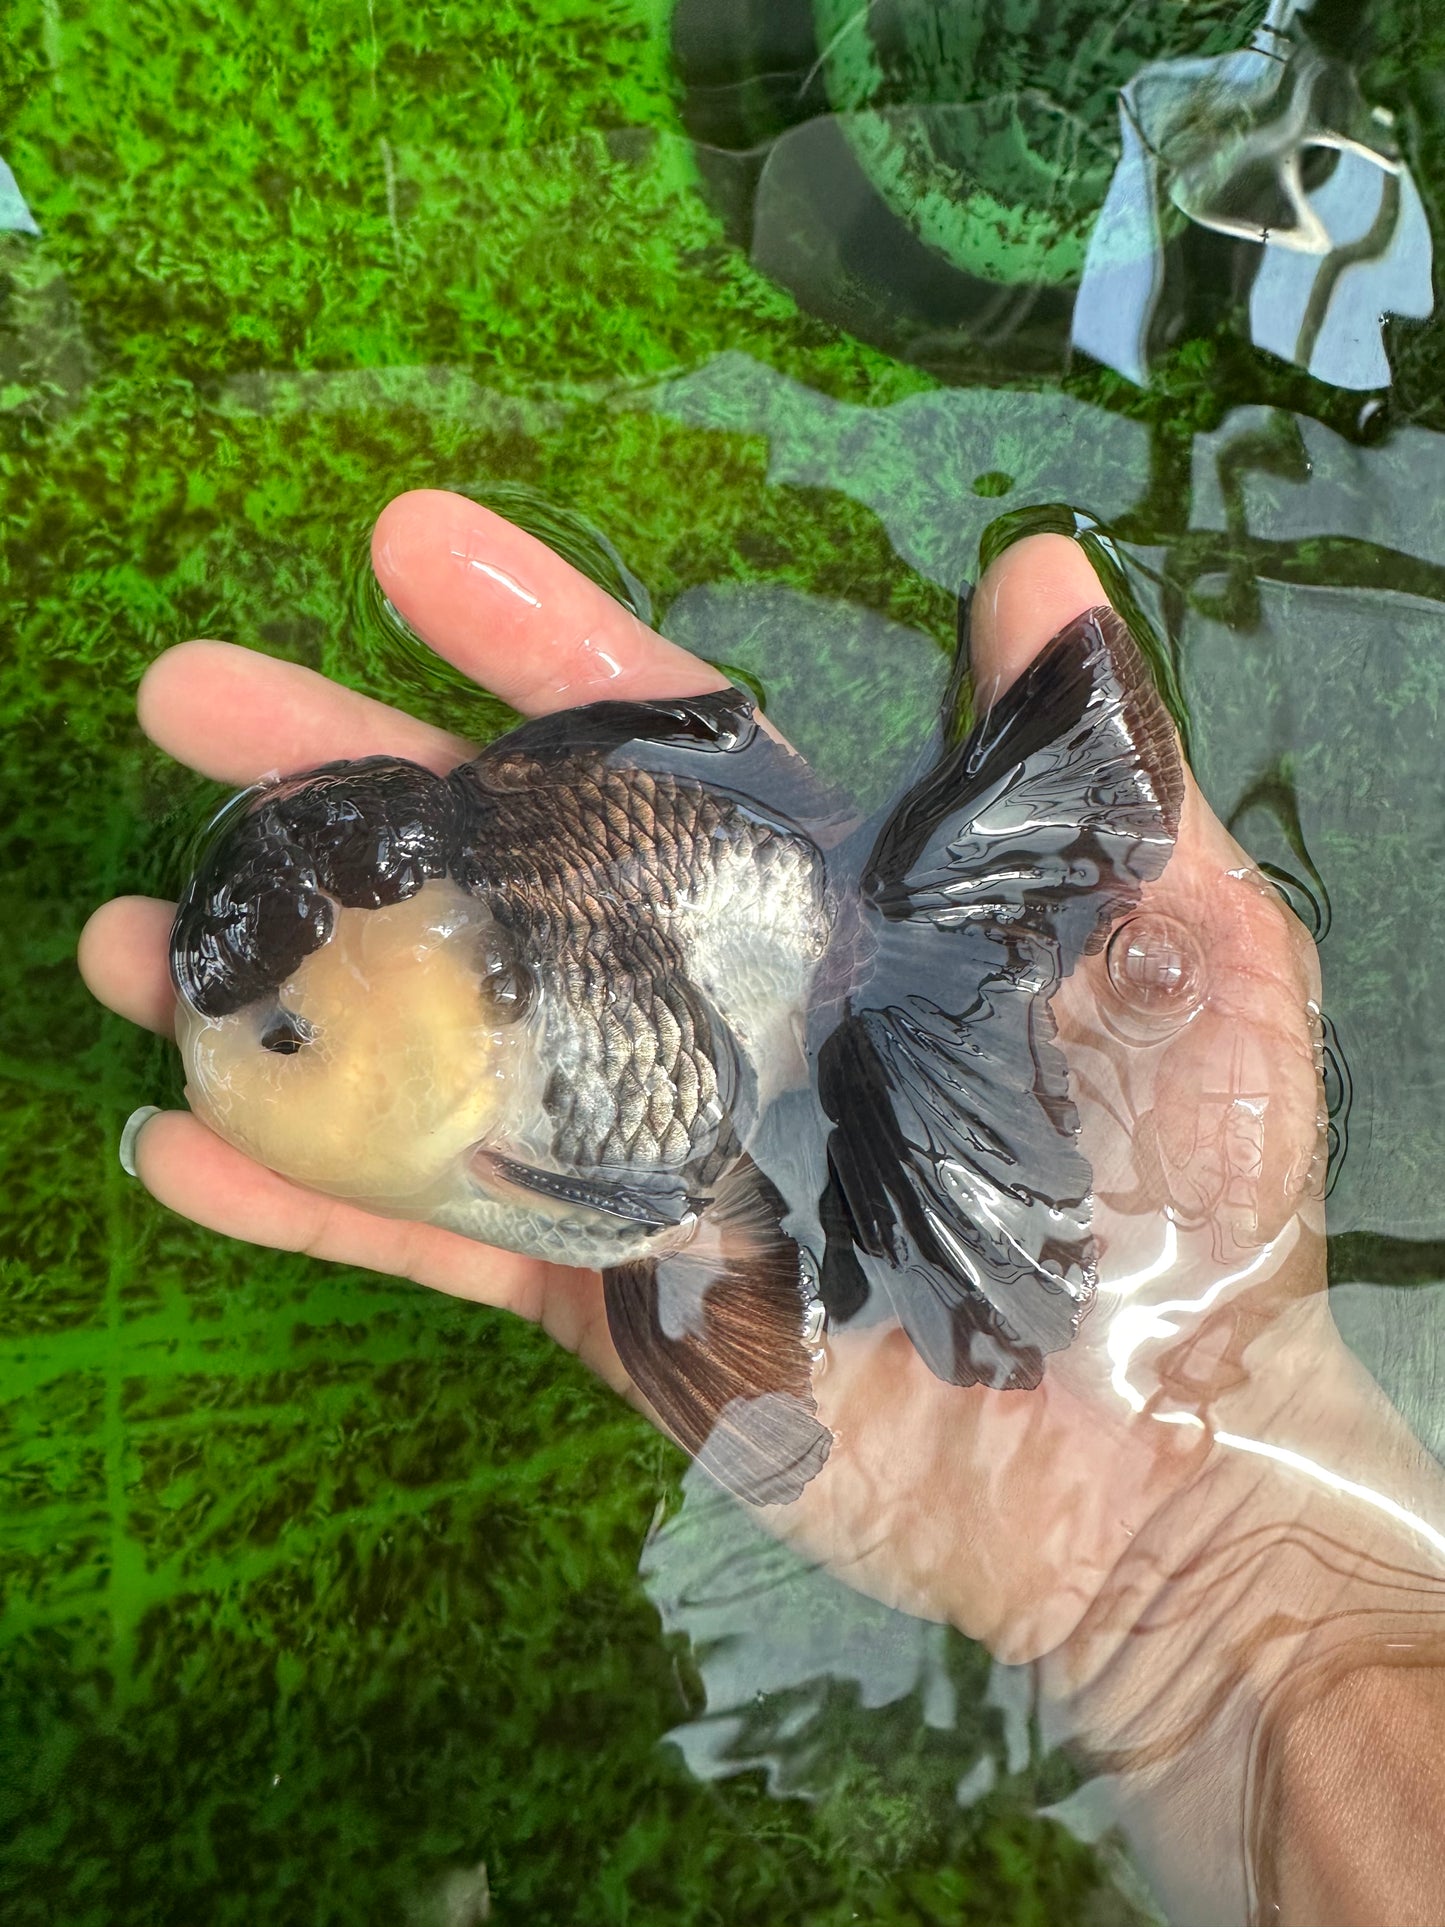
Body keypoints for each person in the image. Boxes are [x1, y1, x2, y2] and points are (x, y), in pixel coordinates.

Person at [79, 491, 1445, 1926]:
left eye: (282, 1039)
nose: (237, 1062)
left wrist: (1201, 1524)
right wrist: (1219, 1512)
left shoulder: (527, 1116)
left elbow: (667, 1209)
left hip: (731, 954)